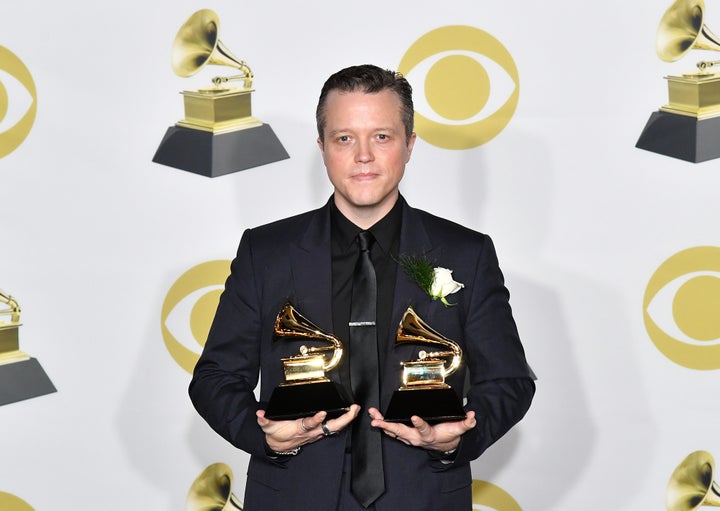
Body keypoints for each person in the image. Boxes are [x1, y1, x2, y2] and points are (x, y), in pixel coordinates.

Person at [189, 64, 535, 511]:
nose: (364, 156)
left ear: (410, 145)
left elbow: (509, 381)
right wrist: (264, 435)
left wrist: (455, 437)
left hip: (424, 497)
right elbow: (215, 378)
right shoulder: (266, 252)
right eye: (345, 138)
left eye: (383, 136)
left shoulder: (468, 253)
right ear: (322, 148)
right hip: (293, 496)